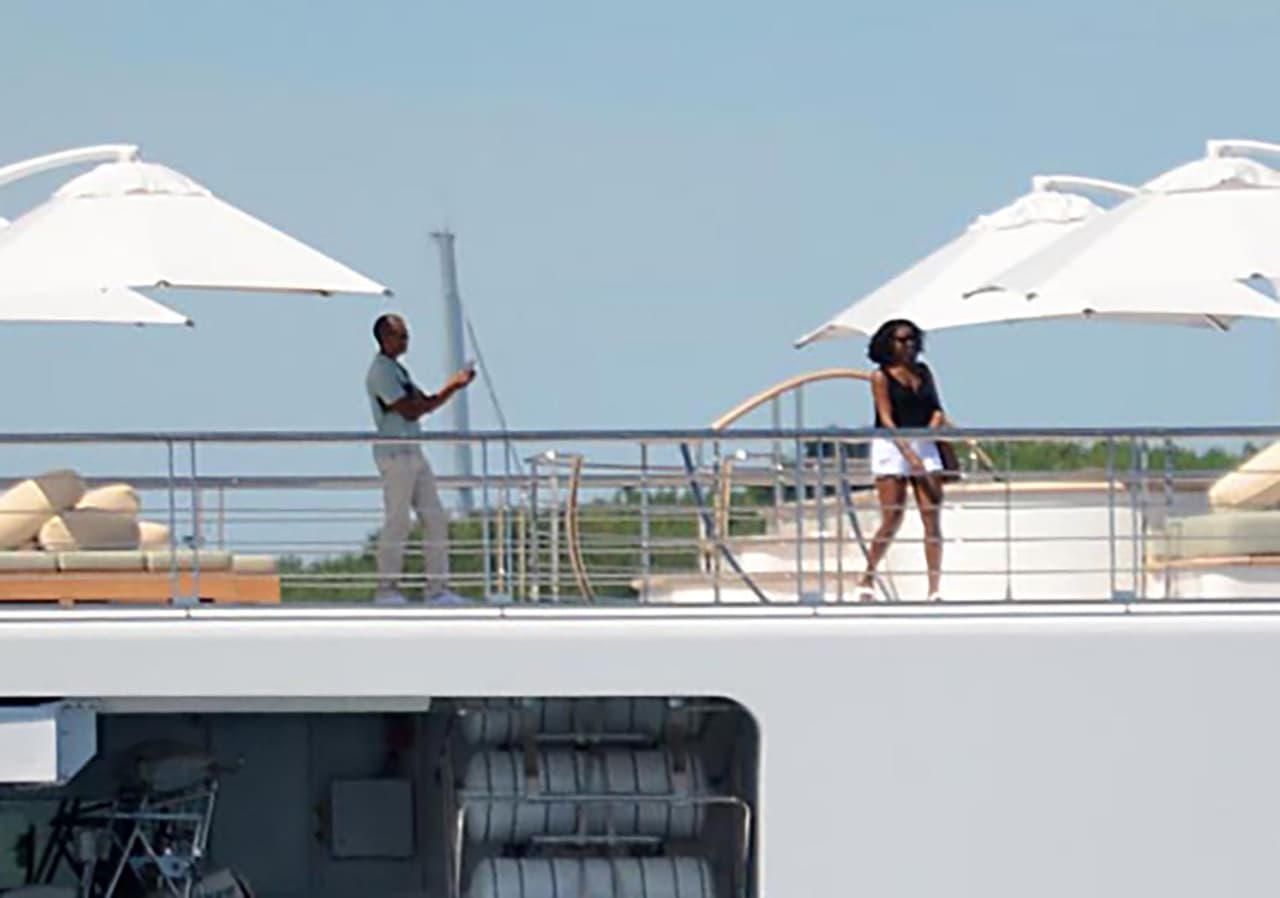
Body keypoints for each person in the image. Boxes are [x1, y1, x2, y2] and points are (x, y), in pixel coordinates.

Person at [366, 313, 476, 604]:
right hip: (395, 453)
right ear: (384, 338)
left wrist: (451, 388)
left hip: (413, 450)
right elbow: (410, 409)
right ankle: (387, 588)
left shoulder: (398, 371)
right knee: (398, 520)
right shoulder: (381, 372)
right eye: (399, 336)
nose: (405, 342)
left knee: (435, 518)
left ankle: (437, 588)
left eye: (406, 336)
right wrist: (452, 387)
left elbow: (423, 402)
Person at [856, 318, 948, 602]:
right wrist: (908, 453)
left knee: (931, 517)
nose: (907, 345)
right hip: (891, 445)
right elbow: (886, 417)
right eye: (900, 340)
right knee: (892, 516)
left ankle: (934, 588)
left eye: (911, 339)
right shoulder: (881, 376)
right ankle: (867, 576)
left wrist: (931, 429)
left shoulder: (923, 372)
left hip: (923, 441)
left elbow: (936, 407)